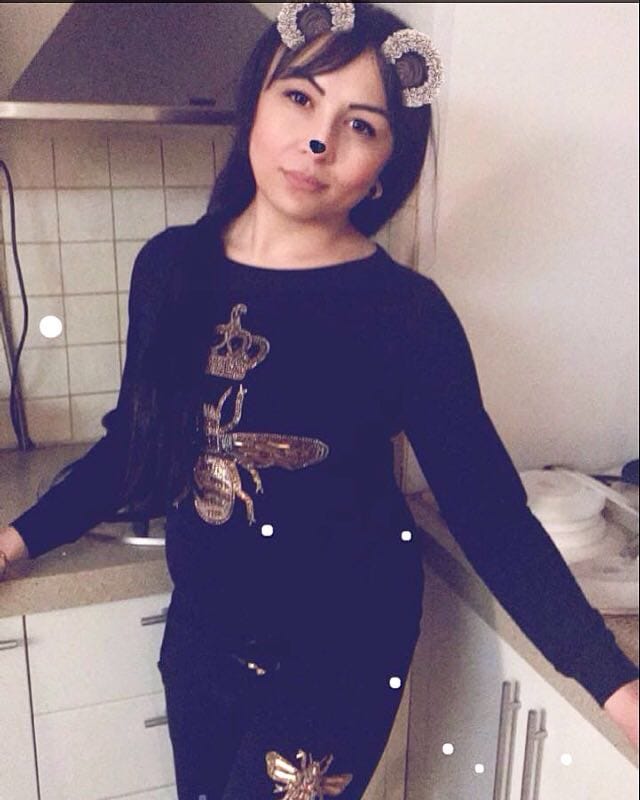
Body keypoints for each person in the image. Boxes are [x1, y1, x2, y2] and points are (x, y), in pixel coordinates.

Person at [0, 3, 637, 797]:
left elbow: (490, 515)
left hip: (344, 652)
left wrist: (615, 682)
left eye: (360, 124)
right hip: (203, 638)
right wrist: (14, 542)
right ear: (255, 103)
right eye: (300, 98)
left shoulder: (406, 314)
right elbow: (137, 444)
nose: (318, 141)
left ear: (387, 164)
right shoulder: (171, 269)